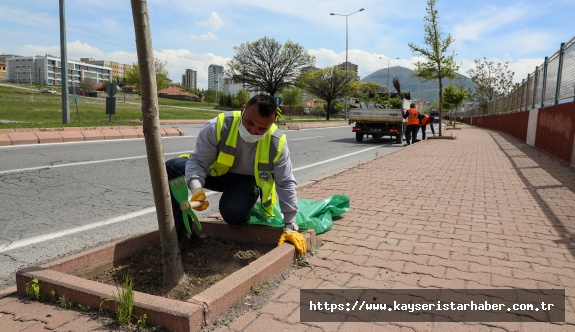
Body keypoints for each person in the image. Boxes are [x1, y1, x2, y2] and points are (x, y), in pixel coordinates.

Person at [165, 94, 306, 255]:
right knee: (173, 167)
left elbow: (285, 182)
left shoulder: (276, 141)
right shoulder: (217, 126)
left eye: (261, 129)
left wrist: (290, 225)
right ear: (243, 110)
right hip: (216, 174)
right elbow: (198, 161)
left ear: (271, 124)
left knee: (232, 215)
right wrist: (197, 188)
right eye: (249, 123)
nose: (253, 131)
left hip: (246, 180)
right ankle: (184, 232)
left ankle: (244, 200)